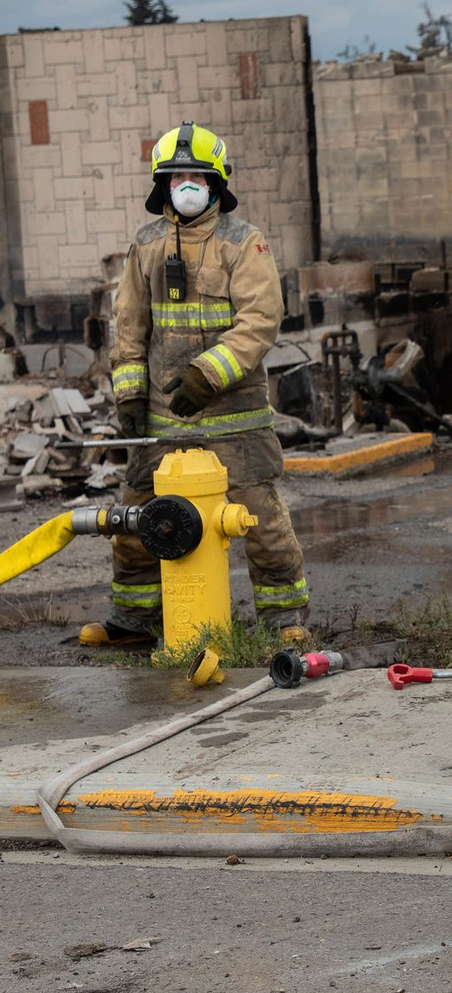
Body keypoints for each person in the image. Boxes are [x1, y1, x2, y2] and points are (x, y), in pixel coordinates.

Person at [79, 121, 310, 647]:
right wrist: (131, 394)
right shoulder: (147, 245)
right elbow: (130, 325)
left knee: (261, 522)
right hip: (162, 418)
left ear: (216, 182)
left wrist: (208, 375)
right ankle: (136, 620)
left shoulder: (243, 243)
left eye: (196, 175)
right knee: (137, 518)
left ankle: (284, 622)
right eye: (176, 175)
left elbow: (261, 320)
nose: (186, 184)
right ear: (162, 184)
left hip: (236, 421)